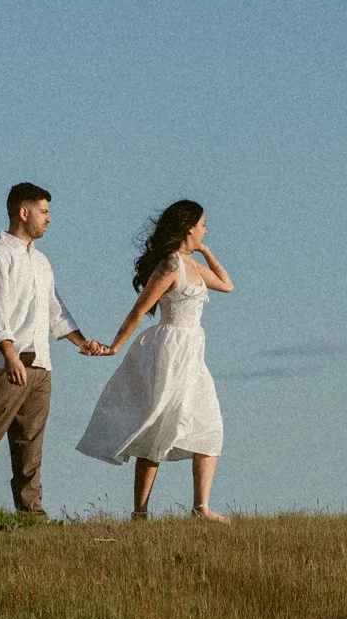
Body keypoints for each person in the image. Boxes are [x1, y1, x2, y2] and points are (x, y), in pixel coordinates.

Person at [0, 183, 112, 514]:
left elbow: (54, 309)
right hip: (5, 364)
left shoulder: (41, 262)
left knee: (30, 447)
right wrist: (9, 355)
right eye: (44, 211)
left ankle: (32, 515)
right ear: (24, 213)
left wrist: (82, 342)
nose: (49, 219)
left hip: (41, 366)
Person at [75, 199, 233, 521]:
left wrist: (204, 251)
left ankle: (200, 507)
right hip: (169, 351)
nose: (206, 229)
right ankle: (140, 512)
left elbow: (227, 285)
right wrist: (114, 347)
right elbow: (138, 310)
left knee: (209, 426)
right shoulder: (171, 265)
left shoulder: (194, 265)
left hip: (194, 354)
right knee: (158, 428)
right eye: (203, 225)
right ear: (190, 228)